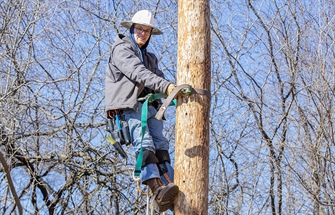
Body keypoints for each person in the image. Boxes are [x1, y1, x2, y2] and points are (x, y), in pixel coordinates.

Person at [105, 10, 179, 212]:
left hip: (150, 106)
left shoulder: (150, 58)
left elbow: (158, 78)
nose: (143, 33)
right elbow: (137, 72)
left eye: (147, 31)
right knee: (144, 141)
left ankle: (169, 185)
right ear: (131, 28)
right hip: (129, 106)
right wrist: (166, 87)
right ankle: (155, 188)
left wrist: (176, 91)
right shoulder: (121, 49)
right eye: (139, 29)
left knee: (161, 143)